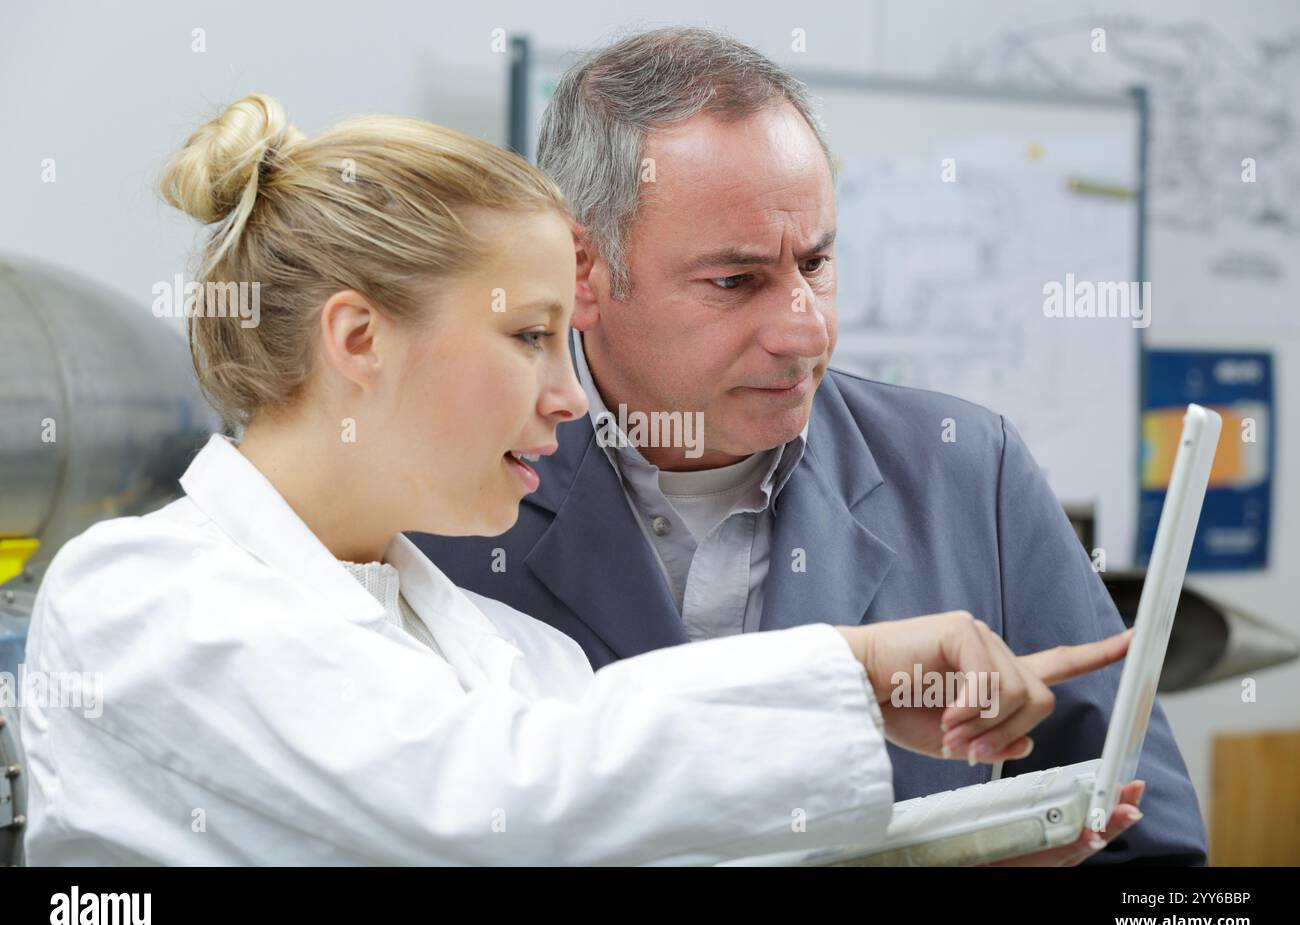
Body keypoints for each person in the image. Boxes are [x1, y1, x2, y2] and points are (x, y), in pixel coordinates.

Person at [19, 94, 1139, 867]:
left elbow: (629, 815)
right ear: (358, 339)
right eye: (529, 337)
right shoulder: (143, 597)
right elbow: (487, 800)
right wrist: (848, 667)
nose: (569, 394)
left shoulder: (511, 655)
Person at [413, 27, 1207, 865]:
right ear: (584, 270)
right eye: (736, 280)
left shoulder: (970, 472)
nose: (805, 329)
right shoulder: (437, 504)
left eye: (817, 262)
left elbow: (1153, 860)